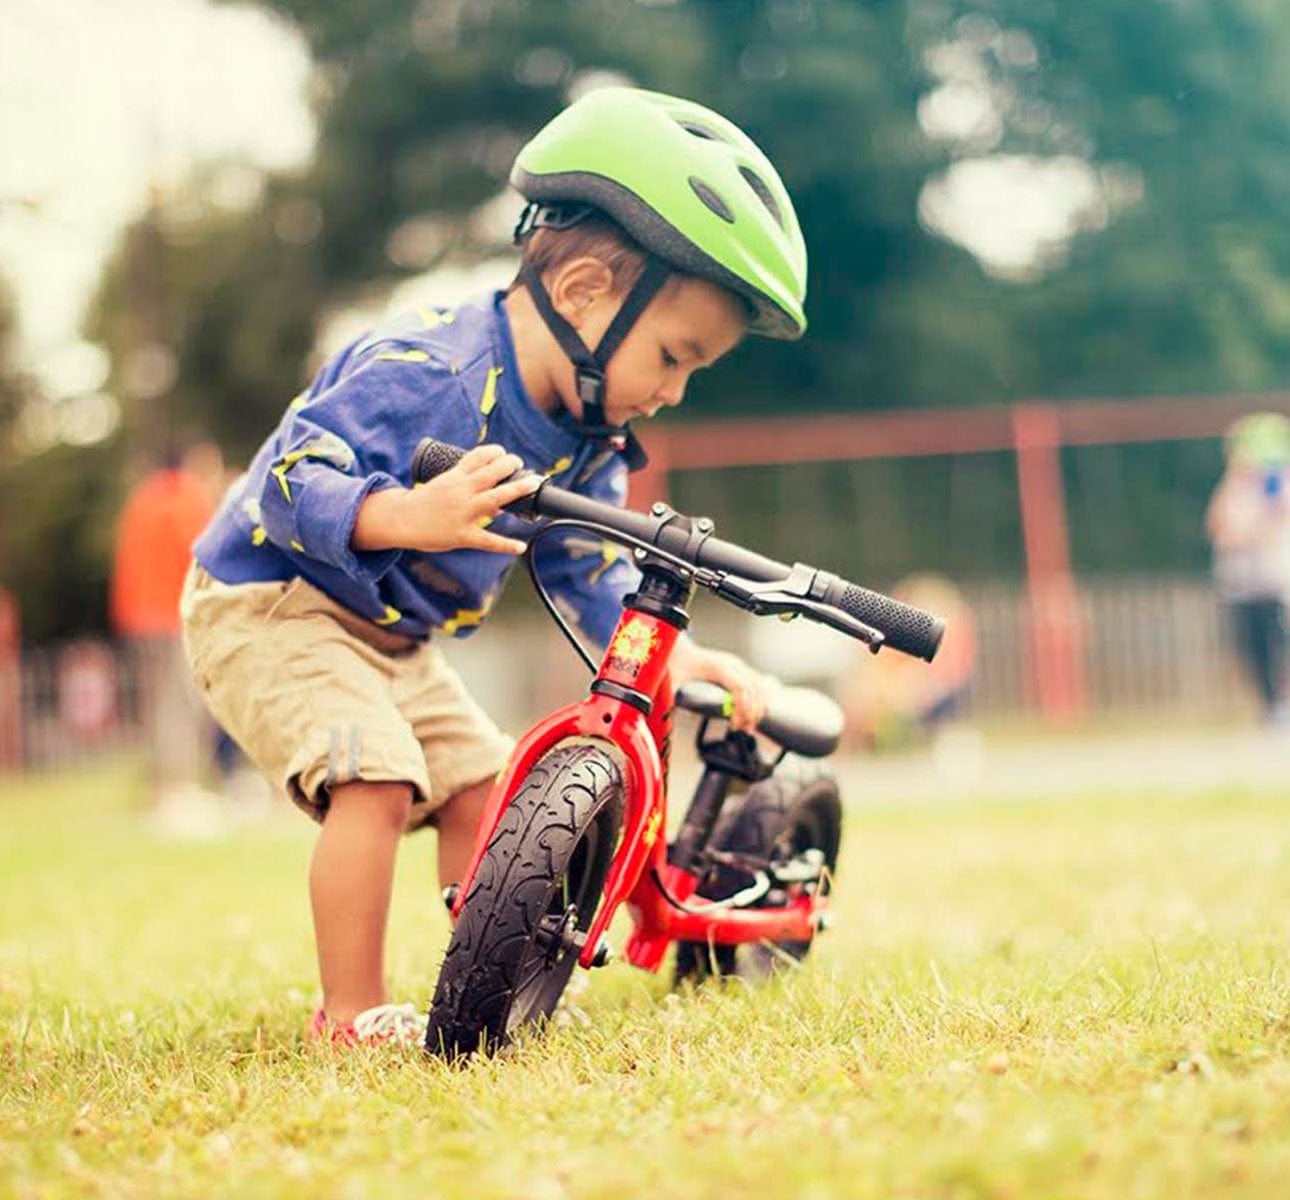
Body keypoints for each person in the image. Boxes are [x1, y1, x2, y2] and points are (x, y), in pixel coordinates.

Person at [179, 87, 809, 1046]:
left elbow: (590, 574)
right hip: (274, 602)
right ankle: (345, 1017)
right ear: (585, 291)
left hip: (391, 634)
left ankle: (474, 988)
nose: (673, 392)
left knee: (486, 786)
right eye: (673, 356)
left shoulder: (588, 431)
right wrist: (404, 514)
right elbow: (290, 478)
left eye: (692, 373)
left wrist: (679, 666)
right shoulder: (428, 369)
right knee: (378, 778)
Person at [111, 436, 226, 824]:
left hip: (139, 617)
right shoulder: (187, 498)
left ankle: (163, 789)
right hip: (173, 614)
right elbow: (206, 555)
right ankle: (178, 791)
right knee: (181, 704)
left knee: (156, 705)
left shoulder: (143, 499)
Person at [1206, 412, 1290, 725]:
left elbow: (1267, 524)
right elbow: (1217, 523)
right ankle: (1271, 709)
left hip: (1272, 579)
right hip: (1241, 583)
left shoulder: (1277, 483)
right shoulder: (1235, 486)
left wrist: (1245, 532)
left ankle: (1282, 706)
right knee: (1252, 650)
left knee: (1277, 646)